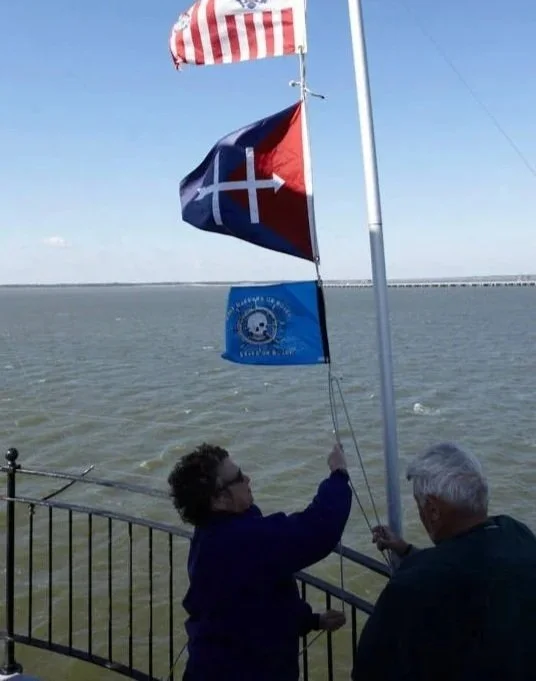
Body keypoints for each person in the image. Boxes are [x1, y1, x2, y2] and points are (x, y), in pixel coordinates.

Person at [168, 441, 352, 681]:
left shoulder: (210, 533)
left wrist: (312, 621)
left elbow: (257, 604)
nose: (248, 479)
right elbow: (318, 529)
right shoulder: (239, 540)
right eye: (239, 477)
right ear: (219, 499)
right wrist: (339, 474)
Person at [352, 442, 536, 681]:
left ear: (432, 510)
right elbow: (475, 562)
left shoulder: (410, 588)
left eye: (419, 505)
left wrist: (413, 564)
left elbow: (368, 671)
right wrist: (407, 551)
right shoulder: (517, 535)